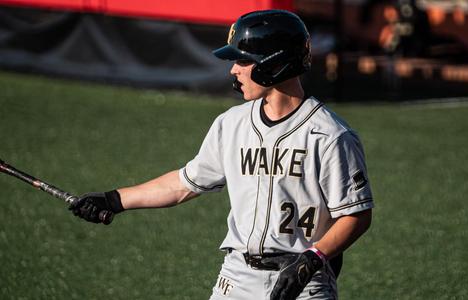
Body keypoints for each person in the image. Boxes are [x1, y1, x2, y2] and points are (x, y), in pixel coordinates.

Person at [70, 10, 374, 300]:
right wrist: (113, 200)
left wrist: (313, 258)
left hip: (302, 281)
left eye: (242, 61)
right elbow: (184, 184)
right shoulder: (232, 123)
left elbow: (356, 214)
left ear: (273, 64)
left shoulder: (330, 135)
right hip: (237, 276)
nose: (233, 69)